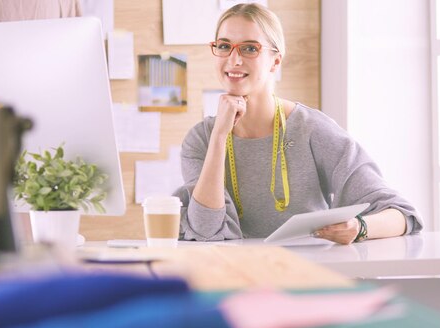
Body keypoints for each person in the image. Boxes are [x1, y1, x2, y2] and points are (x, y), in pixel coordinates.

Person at [175, 3, 423, 245]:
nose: (234, 60)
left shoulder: (311, 128)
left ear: (275, 61)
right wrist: (219, 136)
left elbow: (402, 215)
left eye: (250, 49)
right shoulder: (201, 139)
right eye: (224, 46)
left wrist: (359, 228)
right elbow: (206, 231)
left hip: (309, 276)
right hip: (232, 277)